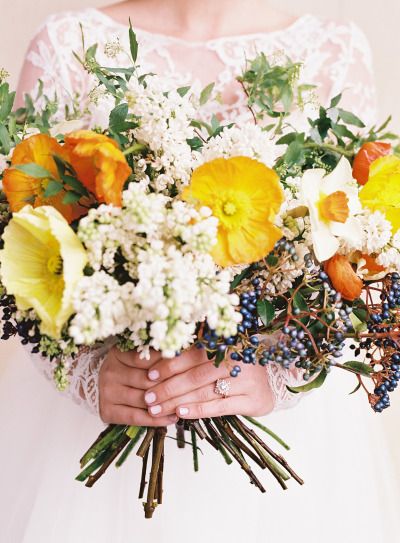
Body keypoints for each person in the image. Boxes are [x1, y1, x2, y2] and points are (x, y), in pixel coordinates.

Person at [1, 1, 398, 542]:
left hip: (291, 469)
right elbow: (21, 263)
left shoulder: (335, 50)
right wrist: (87, 377)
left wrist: (278, 379)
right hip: (102, 441)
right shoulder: (69, 44)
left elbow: (358, 264)